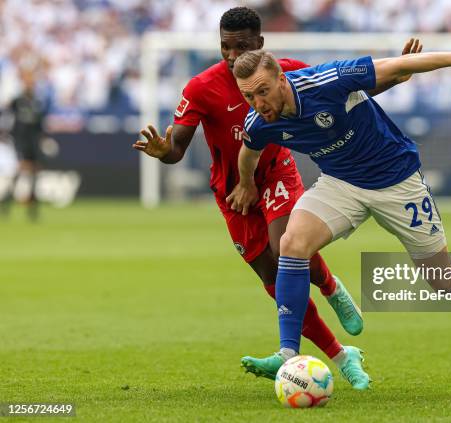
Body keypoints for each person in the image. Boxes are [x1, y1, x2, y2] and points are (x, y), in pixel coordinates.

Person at [133, 7, 420, 390]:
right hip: (232, 192)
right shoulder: (201, 87)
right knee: (271, 276)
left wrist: (398, 73)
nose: (232, 56)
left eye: (241, 47)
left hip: (275, 173)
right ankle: (340, 353)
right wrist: (162, 151)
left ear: (260, 46)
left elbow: (347, 92)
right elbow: (177, 149)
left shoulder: (285, 72)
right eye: (225, 48)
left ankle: (329, 290)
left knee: (285, 249)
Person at [227, 35, 451, 383]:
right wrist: (246, 182)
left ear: (282, 79)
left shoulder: (327, 81)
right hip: (341, 184)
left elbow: (398, 65)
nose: (258, 102)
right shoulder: (259, 122)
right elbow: (249, 151)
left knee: (441, 279)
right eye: (248, 96)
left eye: (263, 91)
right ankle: (287, 352)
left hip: (397, 179)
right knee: (291, 244)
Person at [0, 70, 47, 221]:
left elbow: (40, 124)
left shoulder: (37, 102)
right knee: (22, 168)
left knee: (34, 172)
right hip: (21, 140)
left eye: (31, 82)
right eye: (27, 81)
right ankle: (7, 202)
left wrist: (43, 139)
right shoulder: (17, 101)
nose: (30, 84)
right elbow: (6, 116)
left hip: (33, 141)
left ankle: (32, 208)